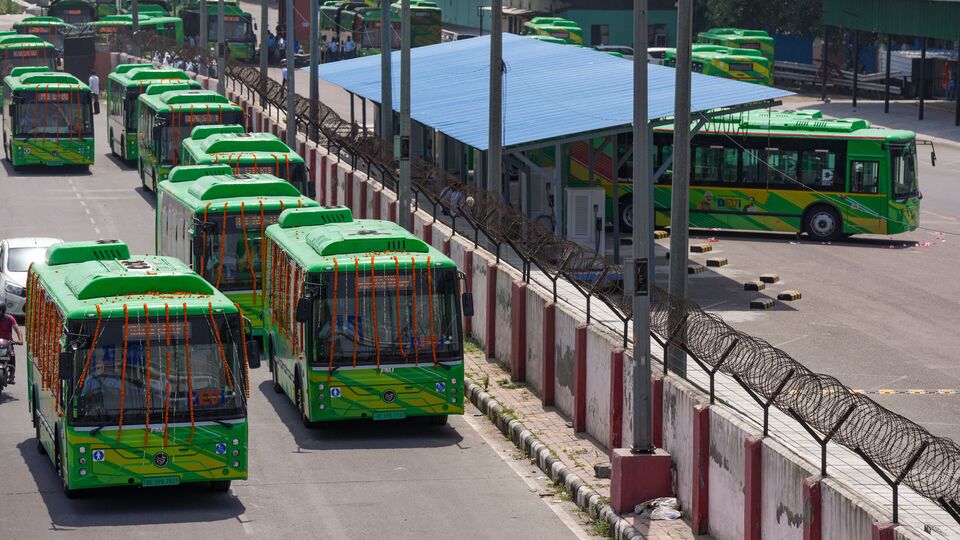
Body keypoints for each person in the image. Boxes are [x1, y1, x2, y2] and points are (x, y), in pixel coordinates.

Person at [0, 305, 23, 384]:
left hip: (8, 343)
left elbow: (17, 329)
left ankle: (11, 376)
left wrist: (20, 340)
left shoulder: (10, 319)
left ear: (3, 311)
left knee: (12, 356)